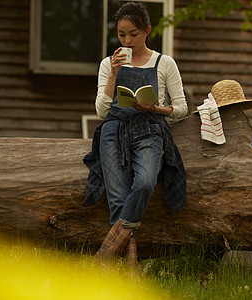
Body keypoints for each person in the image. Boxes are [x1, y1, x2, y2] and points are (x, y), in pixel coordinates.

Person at [83, 2, 188, 268]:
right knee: (117, 199)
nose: (127, 40)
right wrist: (114, 74)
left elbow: (181, 108)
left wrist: (155, 108)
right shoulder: (109, 63)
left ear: (147, 31)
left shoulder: (165, 63)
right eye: (121, 34)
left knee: (144, 184)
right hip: (113, 131)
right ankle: (130, 268)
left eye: (134, 34)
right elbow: (100, 111)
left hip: (150, 131)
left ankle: (104, 257)